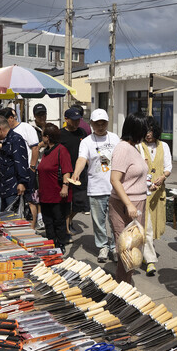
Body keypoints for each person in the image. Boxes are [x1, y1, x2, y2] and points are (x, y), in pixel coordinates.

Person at [73, 109, 121, 262]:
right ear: (91, 124)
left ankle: (115, 247)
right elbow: (81, 159)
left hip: (115, 187)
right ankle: (103, 247)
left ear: (108, 123)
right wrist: (76, 173)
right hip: (96, 187)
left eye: (103, 123)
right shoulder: (87, 141)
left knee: (115, 221)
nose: (100, 126)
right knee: (98, 221)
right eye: (97, 124)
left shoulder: (115, 138)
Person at [109, 113, 150, 281]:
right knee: (126, 249)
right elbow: (115, 180)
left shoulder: (134, 148)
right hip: (124, 205)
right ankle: (122, 287)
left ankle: (125, 283)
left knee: (133, 248)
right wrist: (129, 204)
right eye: (144, 130)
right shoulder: (123, 148)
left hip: (137, 202)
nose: (147, 134)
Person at [138, 116, 172, 277]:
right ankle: (151, 261)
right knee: (147, 227)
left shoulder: (163, 146)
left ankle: (145, 253)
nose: (148, 134)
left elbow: (168, 166)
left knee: (155, 226)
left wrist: (163, 176)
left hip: (158, 192)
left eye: (150, 130)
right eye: (145, 131)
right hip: (143, 192)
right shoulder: (138, 147)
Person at [36, 123, 73, 254]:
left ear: (47, 137)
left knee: (58, 220)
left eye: (43, 137)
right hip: (45, 194)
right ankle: (51, 243)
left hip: (57, 195)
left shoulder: (61, 150)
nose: (42, 139)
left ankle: (60, 244)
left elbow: (67, 170)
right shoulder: (46, 152)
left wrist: (65, 187)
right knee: (48, 221)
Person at [0, 114, 31, 215]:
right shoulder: (7, 140)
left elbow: (21, 162)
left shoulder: (16, 140)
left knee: (12, 219)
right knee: (5, 217)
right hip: (5, 187)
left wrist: (22, 182)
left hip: (13, 188)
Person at [61, 107, 89, 231]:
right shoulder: (60, 134)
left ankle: (70, 220)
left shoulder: (82, 132)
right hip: (66, 173)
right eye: (73, 120)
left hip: (80, 173)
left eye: (78, 120)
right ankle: (66, 228)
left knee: (80, 203)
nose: (77, 122)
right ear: (66, 119)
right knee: (66, 202)